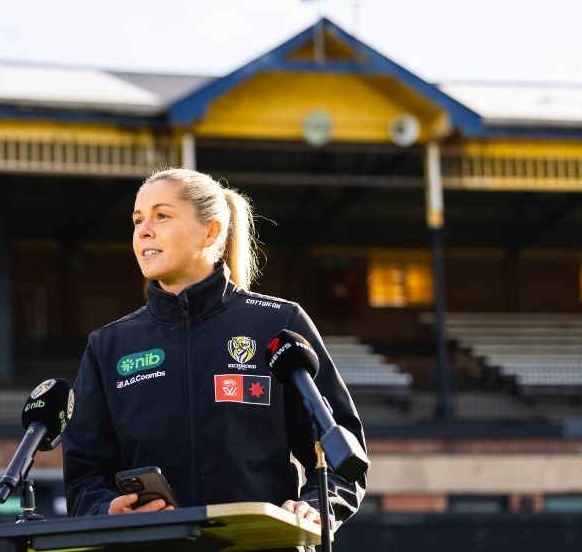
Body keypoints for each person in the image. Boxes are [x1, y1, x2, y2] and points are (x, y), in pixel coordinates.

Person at [62, 167, 367, 532]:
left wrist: (317, 505)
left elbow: (340, 452)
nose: (144, 230)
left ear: (210, 232)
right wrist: (107, 511)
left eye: (162, 215)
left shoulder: (279, 324)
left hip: (264, 546)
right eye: (138, 219)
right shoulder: (109, 345)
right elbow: (84, 475)